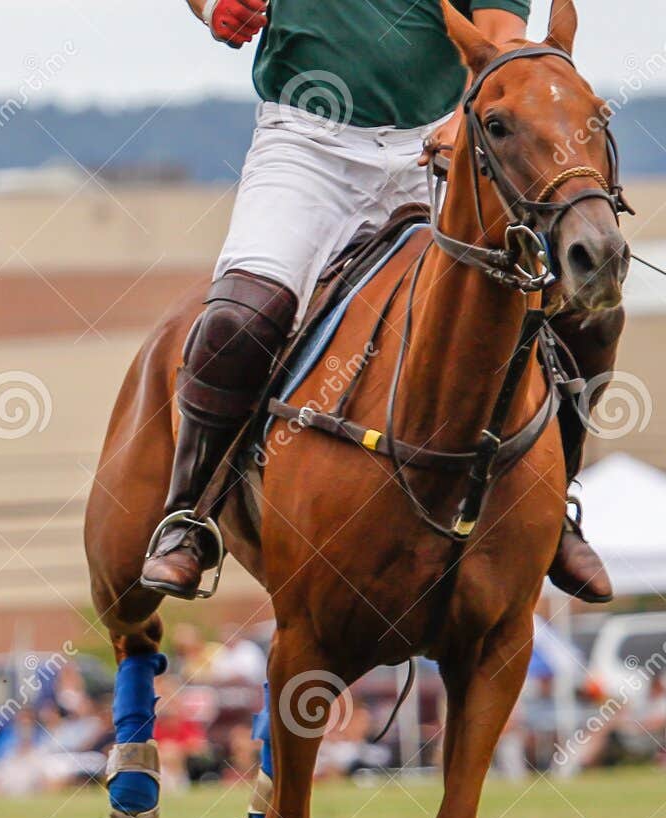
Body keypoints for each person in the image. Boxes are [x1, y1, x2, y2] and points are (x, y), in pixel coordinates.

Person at [141, 0, 620, 604]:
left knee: (587, 314)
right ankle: (188, 515)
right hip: (307, 147)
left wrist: (465, 111)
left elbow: (499, 33)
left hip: (445, 140)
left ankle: (557, 509)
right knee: (238, 321)